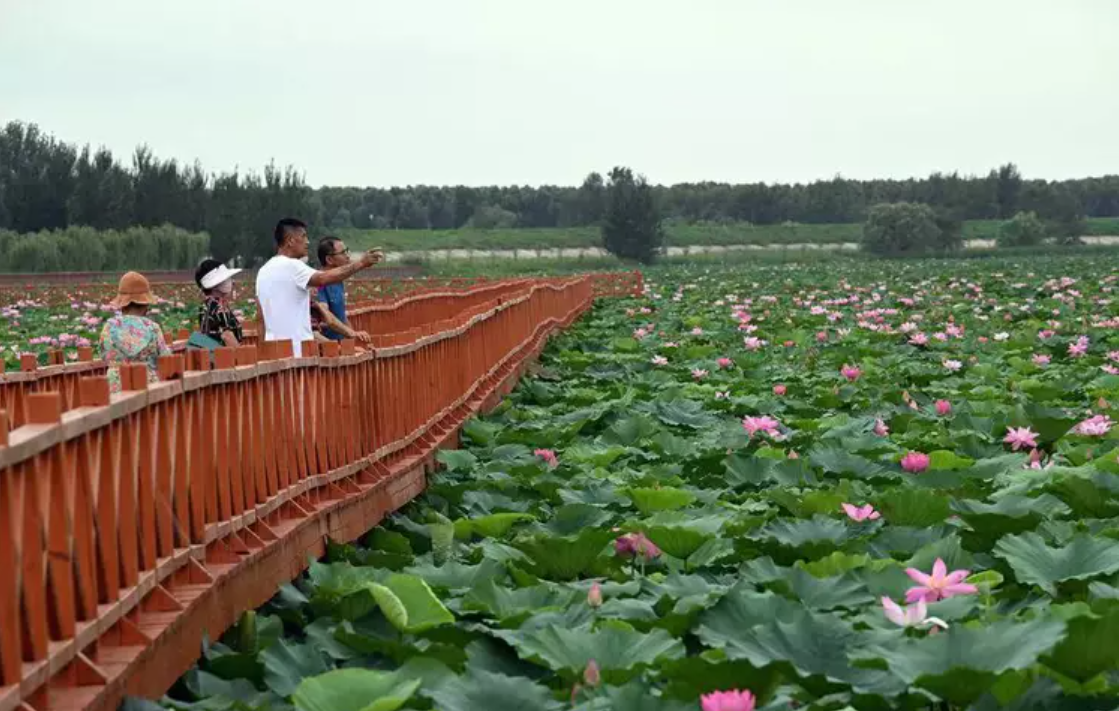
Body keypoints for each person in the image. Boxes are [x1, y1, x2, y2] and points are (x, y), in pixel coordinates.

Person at [256, 218, 383, 356]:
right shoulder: (293, 266)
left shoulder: (263, 271)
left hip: (274, 353)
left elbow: (260, 318)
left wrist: (264, 353)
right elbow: (323, 278)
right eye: (303, 236)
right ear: (291, 240)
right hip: (299, 352)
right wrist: (361, 263)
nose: (307, 242)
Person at [99, 271, 172, 393]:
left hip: (116, 387)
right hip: (147, 386)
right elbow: (165, 358)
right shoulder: (153, 328)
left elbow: (103, 355)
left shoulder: (109, 326)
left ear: (121, 304)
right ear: (145, 304)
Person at [315, 236, 371, 343]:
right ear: (329, 260)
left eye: (347, 251)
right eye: (343, 252)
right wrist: (351, 334)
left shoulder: (338, 281)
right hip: (327, 346)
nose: (347, 256)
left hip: (340, 344)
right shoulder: (319, 283)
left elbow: (341, 316)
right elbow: (324, 318)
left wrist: (354, 338)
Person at [194, 258, 244, 347]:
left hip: (212, 356)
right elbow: (227, 336)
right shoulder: (219, 307)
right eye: (227, 279)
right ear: (215, 285)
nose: (232, 282)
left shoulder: (207, 305)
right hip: (226, 357)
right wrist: (242, 357)